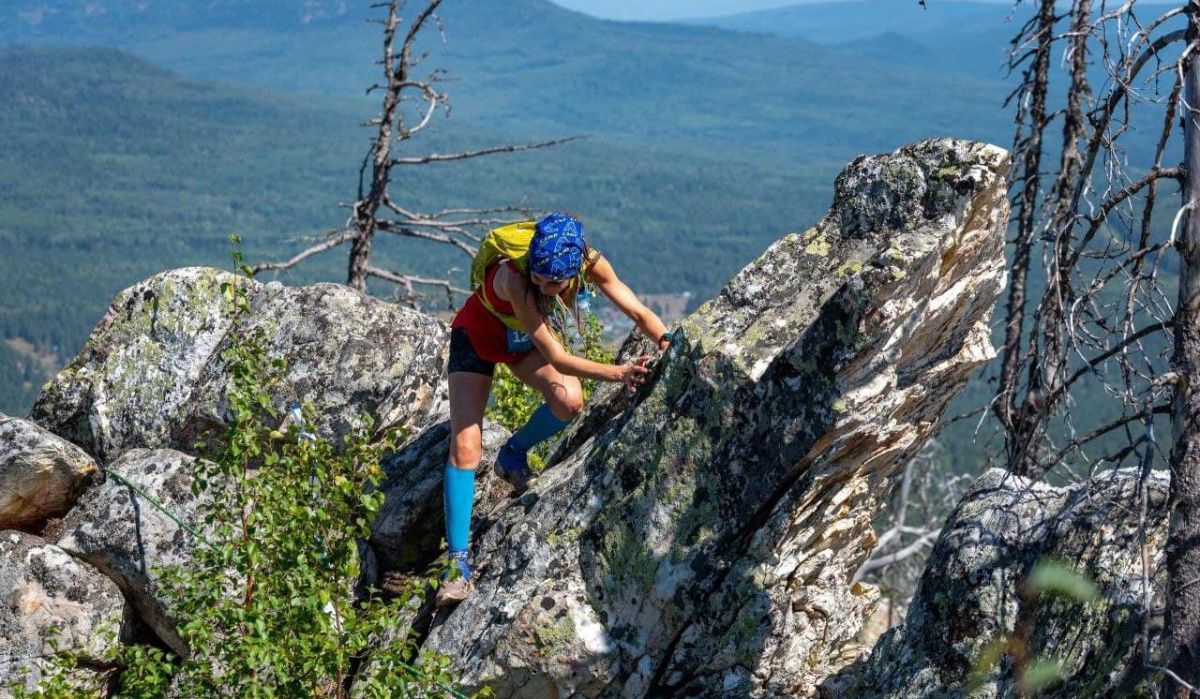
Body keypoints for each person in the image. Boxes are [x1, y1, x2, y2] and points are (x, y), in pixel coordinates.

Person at [438, 212, 673, 606]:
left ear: (575, 266)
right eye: (541, 279)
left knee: (568, 401)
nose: (546, 286)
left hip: (520, 343)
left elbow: (634, 308)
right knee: (465, 447)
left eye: (555, 283)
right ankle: (457, 564)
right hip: (476, 338)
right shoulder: (517, 279)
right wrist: (620, 373)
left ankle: (512, 455)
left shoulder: (588, 261)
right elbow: (558, 357)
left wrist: (666, 338)